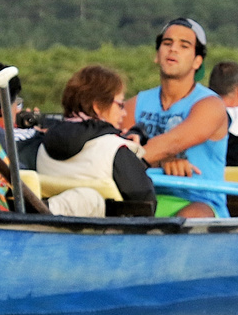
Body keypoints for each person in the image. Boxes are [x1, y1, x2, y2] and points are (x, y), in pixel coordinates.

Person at [123, 17, 228, 217]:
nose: (173, 49)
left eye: (184, 45)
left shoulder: (211, 105)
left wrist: (131, 160)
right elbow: (114, 147)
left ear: (197, 61)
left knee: (195, 215)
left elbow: (172, 143)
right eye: (167, 43)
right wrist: (161, 162)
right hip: (145, 201)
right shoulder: (135, 104)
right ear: (157, 55)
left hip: (200, 204)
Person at [36, 65, 156, 216]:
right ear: (98, 107)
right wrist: (134, 160)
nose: (124, 113)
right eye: (120, 105)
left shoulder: (42, 146)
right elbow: (146, 203)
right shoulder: (115, 150)